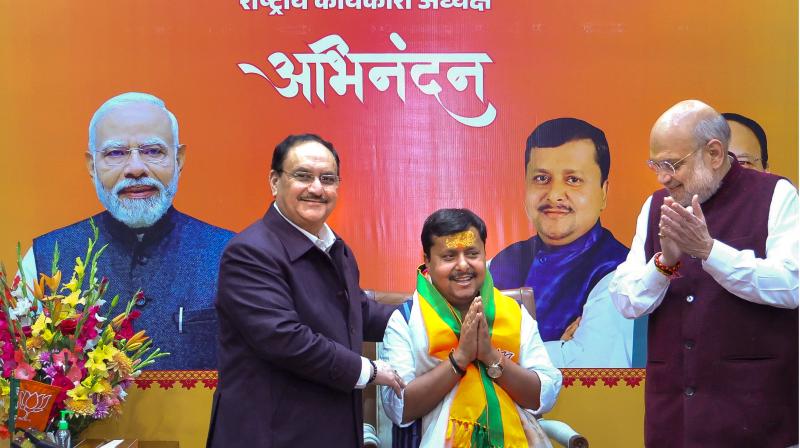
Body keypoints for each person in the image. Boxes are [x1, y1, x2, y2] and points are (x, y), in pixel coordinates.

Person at [609, 100, 798, 447]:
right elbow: (626, 300)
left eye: (672, 164)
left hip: (753, 420)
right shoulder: (655, 206)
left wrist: (710, 252)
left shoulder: (775, 195)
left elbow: (791, 285)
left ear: (713, 153)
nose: (662, 176)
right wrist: (664, 263)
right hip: (674, 421)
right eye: (656, 164)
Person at [208, 134, 404, 447]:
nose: (316, 188)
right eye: (302, 176)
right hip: (270, 434)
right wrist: (368, 370)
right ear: (275, 181)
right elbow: (285, 338)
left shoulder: (337, 249)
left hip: (330, 429)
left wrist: (425, 314)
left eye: (327, 179)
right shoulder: (249, 252)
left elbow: (356, 312)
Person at [25, 92, 233, 370]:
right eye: (115, 153)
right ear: (92, 166)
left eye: (153, 151)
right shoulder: (44, 258)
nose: (135, 168)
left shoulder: (231, 256)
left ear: (179, 159)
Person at [381, 208, 561, 447]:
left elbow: (544, 395)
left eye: (472, 253)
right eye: (449, 256)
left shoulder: (514, 314)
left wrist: (490, 356)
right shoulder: (405, 319)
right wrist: (460, 359)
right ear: (427, 260)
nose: (463, 265)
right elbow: (400, 408)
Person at [489, 118, 635, 367]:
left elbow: (592, 364)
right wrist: (561, 350)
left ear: (603, 192)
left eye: (573, 180)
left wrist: (491, 356)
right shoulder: (500, 263)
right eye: (541, 179)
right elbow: (450, 346)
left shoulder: (620, 274)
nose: (554, 195)